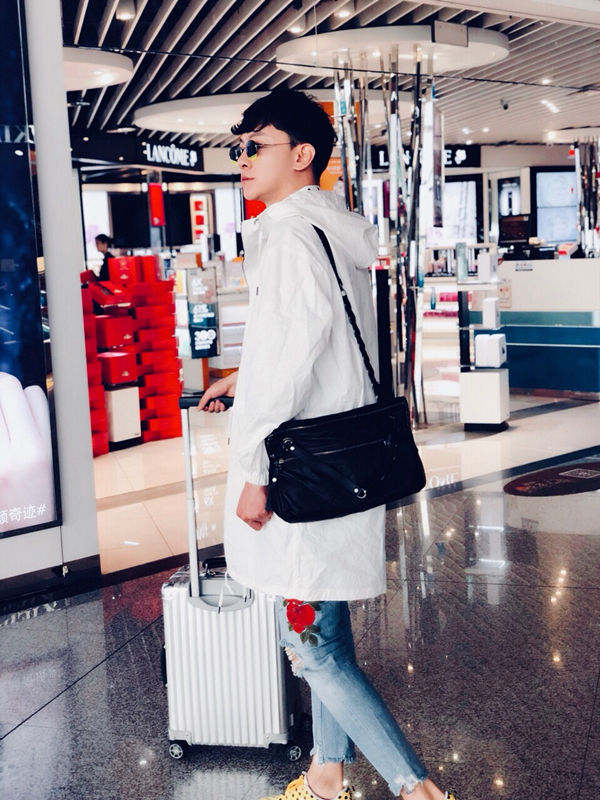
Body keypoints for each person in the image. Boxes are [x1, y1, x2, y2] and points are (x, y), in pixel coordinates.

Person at [198, 89, 460, 800]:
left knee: (312, 649)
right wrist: (242, 375)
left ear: (303, 155)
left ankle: (419, 791)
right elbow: (317, 340)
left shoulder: (288, 236)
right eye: (239, 148)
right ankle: (325, 776)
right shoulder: (329, 227)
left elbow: (288, 362)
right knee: (325, 631)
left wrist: (253, 471)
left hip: (297, 471)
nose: (242, 159)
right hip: (338, 459)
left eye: (256, 146)